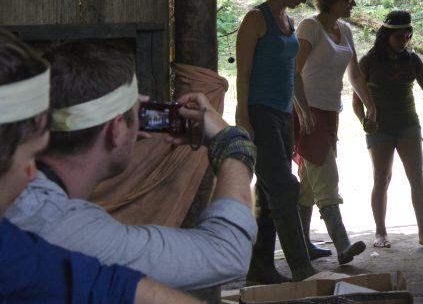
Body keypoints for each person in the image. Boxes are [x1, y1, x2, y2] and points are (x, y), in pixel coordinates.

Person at [6, 40, 256, 291]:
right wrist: (232, 144)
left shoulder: (18, 190)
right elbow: (226, 254)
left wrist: (121, 131)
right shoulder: (61, 225)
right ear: (115, 130)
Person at [0, 29, 198, 304]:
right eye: (29, 157)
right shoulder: (45, 221)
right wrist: (234, 145)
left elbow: (95, 284)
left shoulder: (9, 246)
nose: (34, 174)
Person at [235, 0, 318, 283]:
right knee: (284, 189)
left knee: (269, 194)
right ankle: (302, 267)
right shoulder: (256, 19)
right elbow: (243, 72)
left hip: (284, 115)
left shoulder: (290, 20)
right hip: (259, 112)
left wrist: (303, 108)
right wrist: (243, 115)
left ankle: (260, 268)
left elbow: (292, 71)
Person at [358, 10, 423, 248]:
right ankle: (380, 233)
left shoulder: (413, 60)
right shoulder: (368, 61)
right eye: (399, 37)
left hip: (408, 123)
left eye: (407, 36)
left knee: (417, 176)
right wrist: (364, 121)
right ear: (386, 35)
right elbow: (356, 100)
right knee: (381, 178)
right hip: (380, 127)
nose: (404, 41)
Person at [293, 0, 369, 264]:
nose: (352, 4)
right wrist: (301, 111)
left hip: (329, 112)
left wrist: (370, 108)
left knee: (309, 183)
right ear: (330, 1)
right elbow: (294, 71)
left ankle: (302, 244)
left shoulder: (345, 30)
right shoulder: (309, 26)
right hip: (308, 110)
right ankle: (342, 245)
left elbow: (355, 75)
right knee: (325, 175)